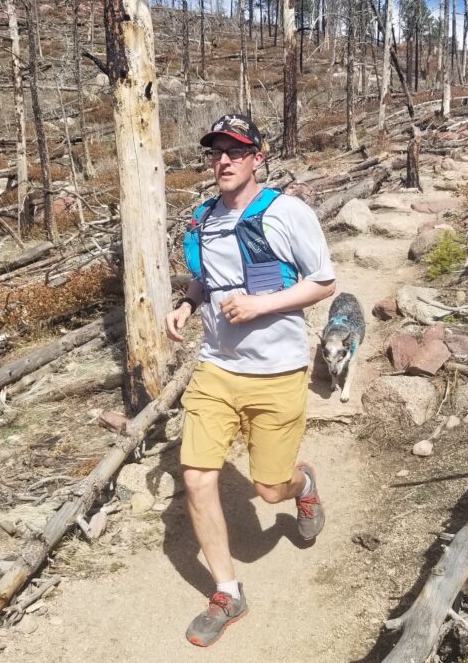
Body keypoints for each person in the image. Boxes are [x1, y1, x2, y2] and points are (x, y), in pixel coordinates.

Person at [164, 113, 336, 647]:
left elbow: (324, 281)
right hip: (216, 367)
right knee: (195, 477)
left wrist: (264, 302)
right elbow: (207, 277)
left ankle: (301, 485)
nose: (223, 160)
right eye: (216, 151)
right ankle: (227, 592)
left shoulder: (288, 213)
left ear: (257, 157)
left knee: (268, 488)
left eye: (235, 151)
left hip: (278, 371)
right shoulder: (204, 218)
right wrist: (187, 304)